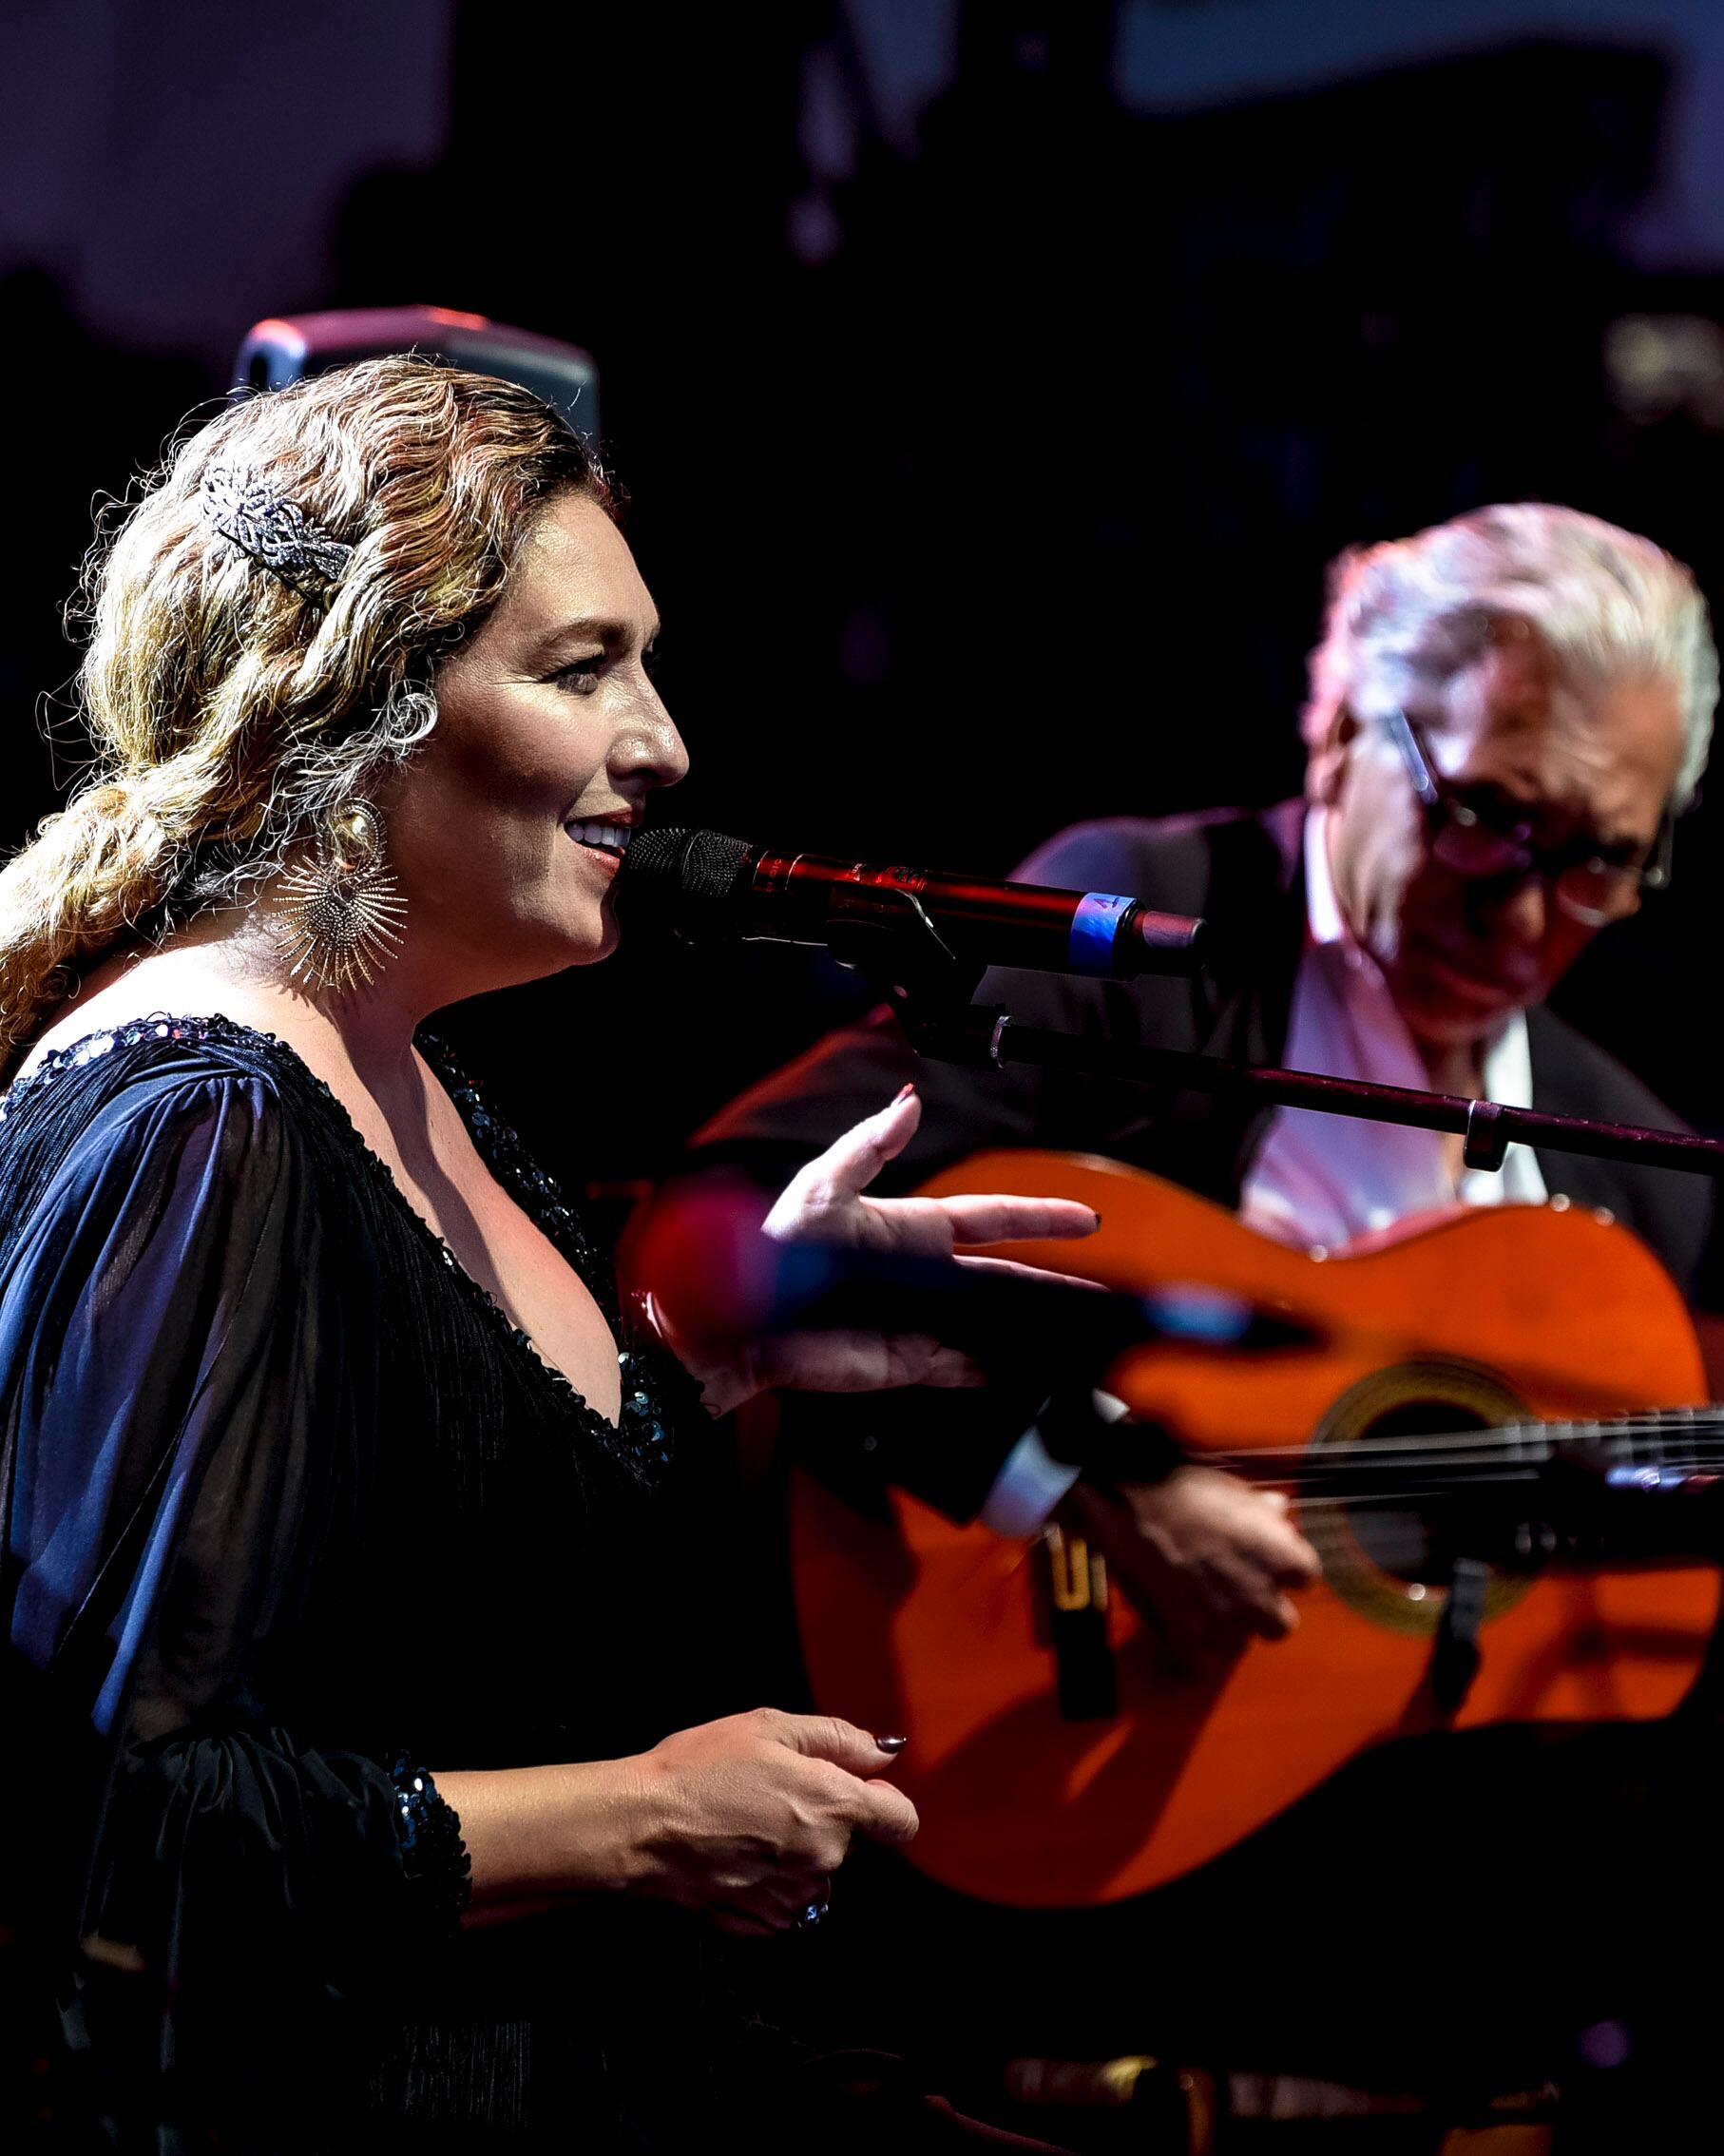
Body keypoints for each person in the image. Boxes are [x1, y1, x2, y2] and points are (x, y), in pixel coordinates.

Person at [0, 356, 1101, 2154]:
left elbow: (428, 1577)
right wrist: (645, 1820)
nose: (661, 743)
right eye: (583, 669)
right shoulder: (212, 1125)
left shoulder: (394, 1071)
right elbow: (130, 1832)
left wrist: (717, 1351)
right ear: (343, 705)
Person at [678, 505, 1724, 2129]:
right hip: (1022, 1916)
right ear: (1335, 735)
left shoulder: (1641, 1172)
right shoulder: (1141, 934)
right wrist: (1083, 1475)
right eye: (1485, 819)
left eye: (1595, 859)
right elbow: (753, 1228)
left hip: (1394, 2007)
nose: (1523, 912)